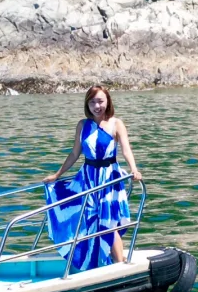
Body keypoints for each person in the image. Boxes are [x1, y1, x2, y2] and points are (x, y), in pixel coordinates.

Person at [43, 85, 143, 269]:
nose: (97, 106)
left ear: (108, 101)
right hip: (87, 178)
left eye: (100, 101)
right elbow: (74, 153)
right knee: (90, 219)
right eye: (92, 102)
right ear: (87, 104)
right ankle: (95, 262)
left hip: (109, 178)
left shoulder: (116, 124)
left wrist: (134, 169)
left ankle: (119, 264)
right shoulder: (83, 125)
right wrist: (57, 174)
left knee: (109, 220)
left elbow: (126, 149)